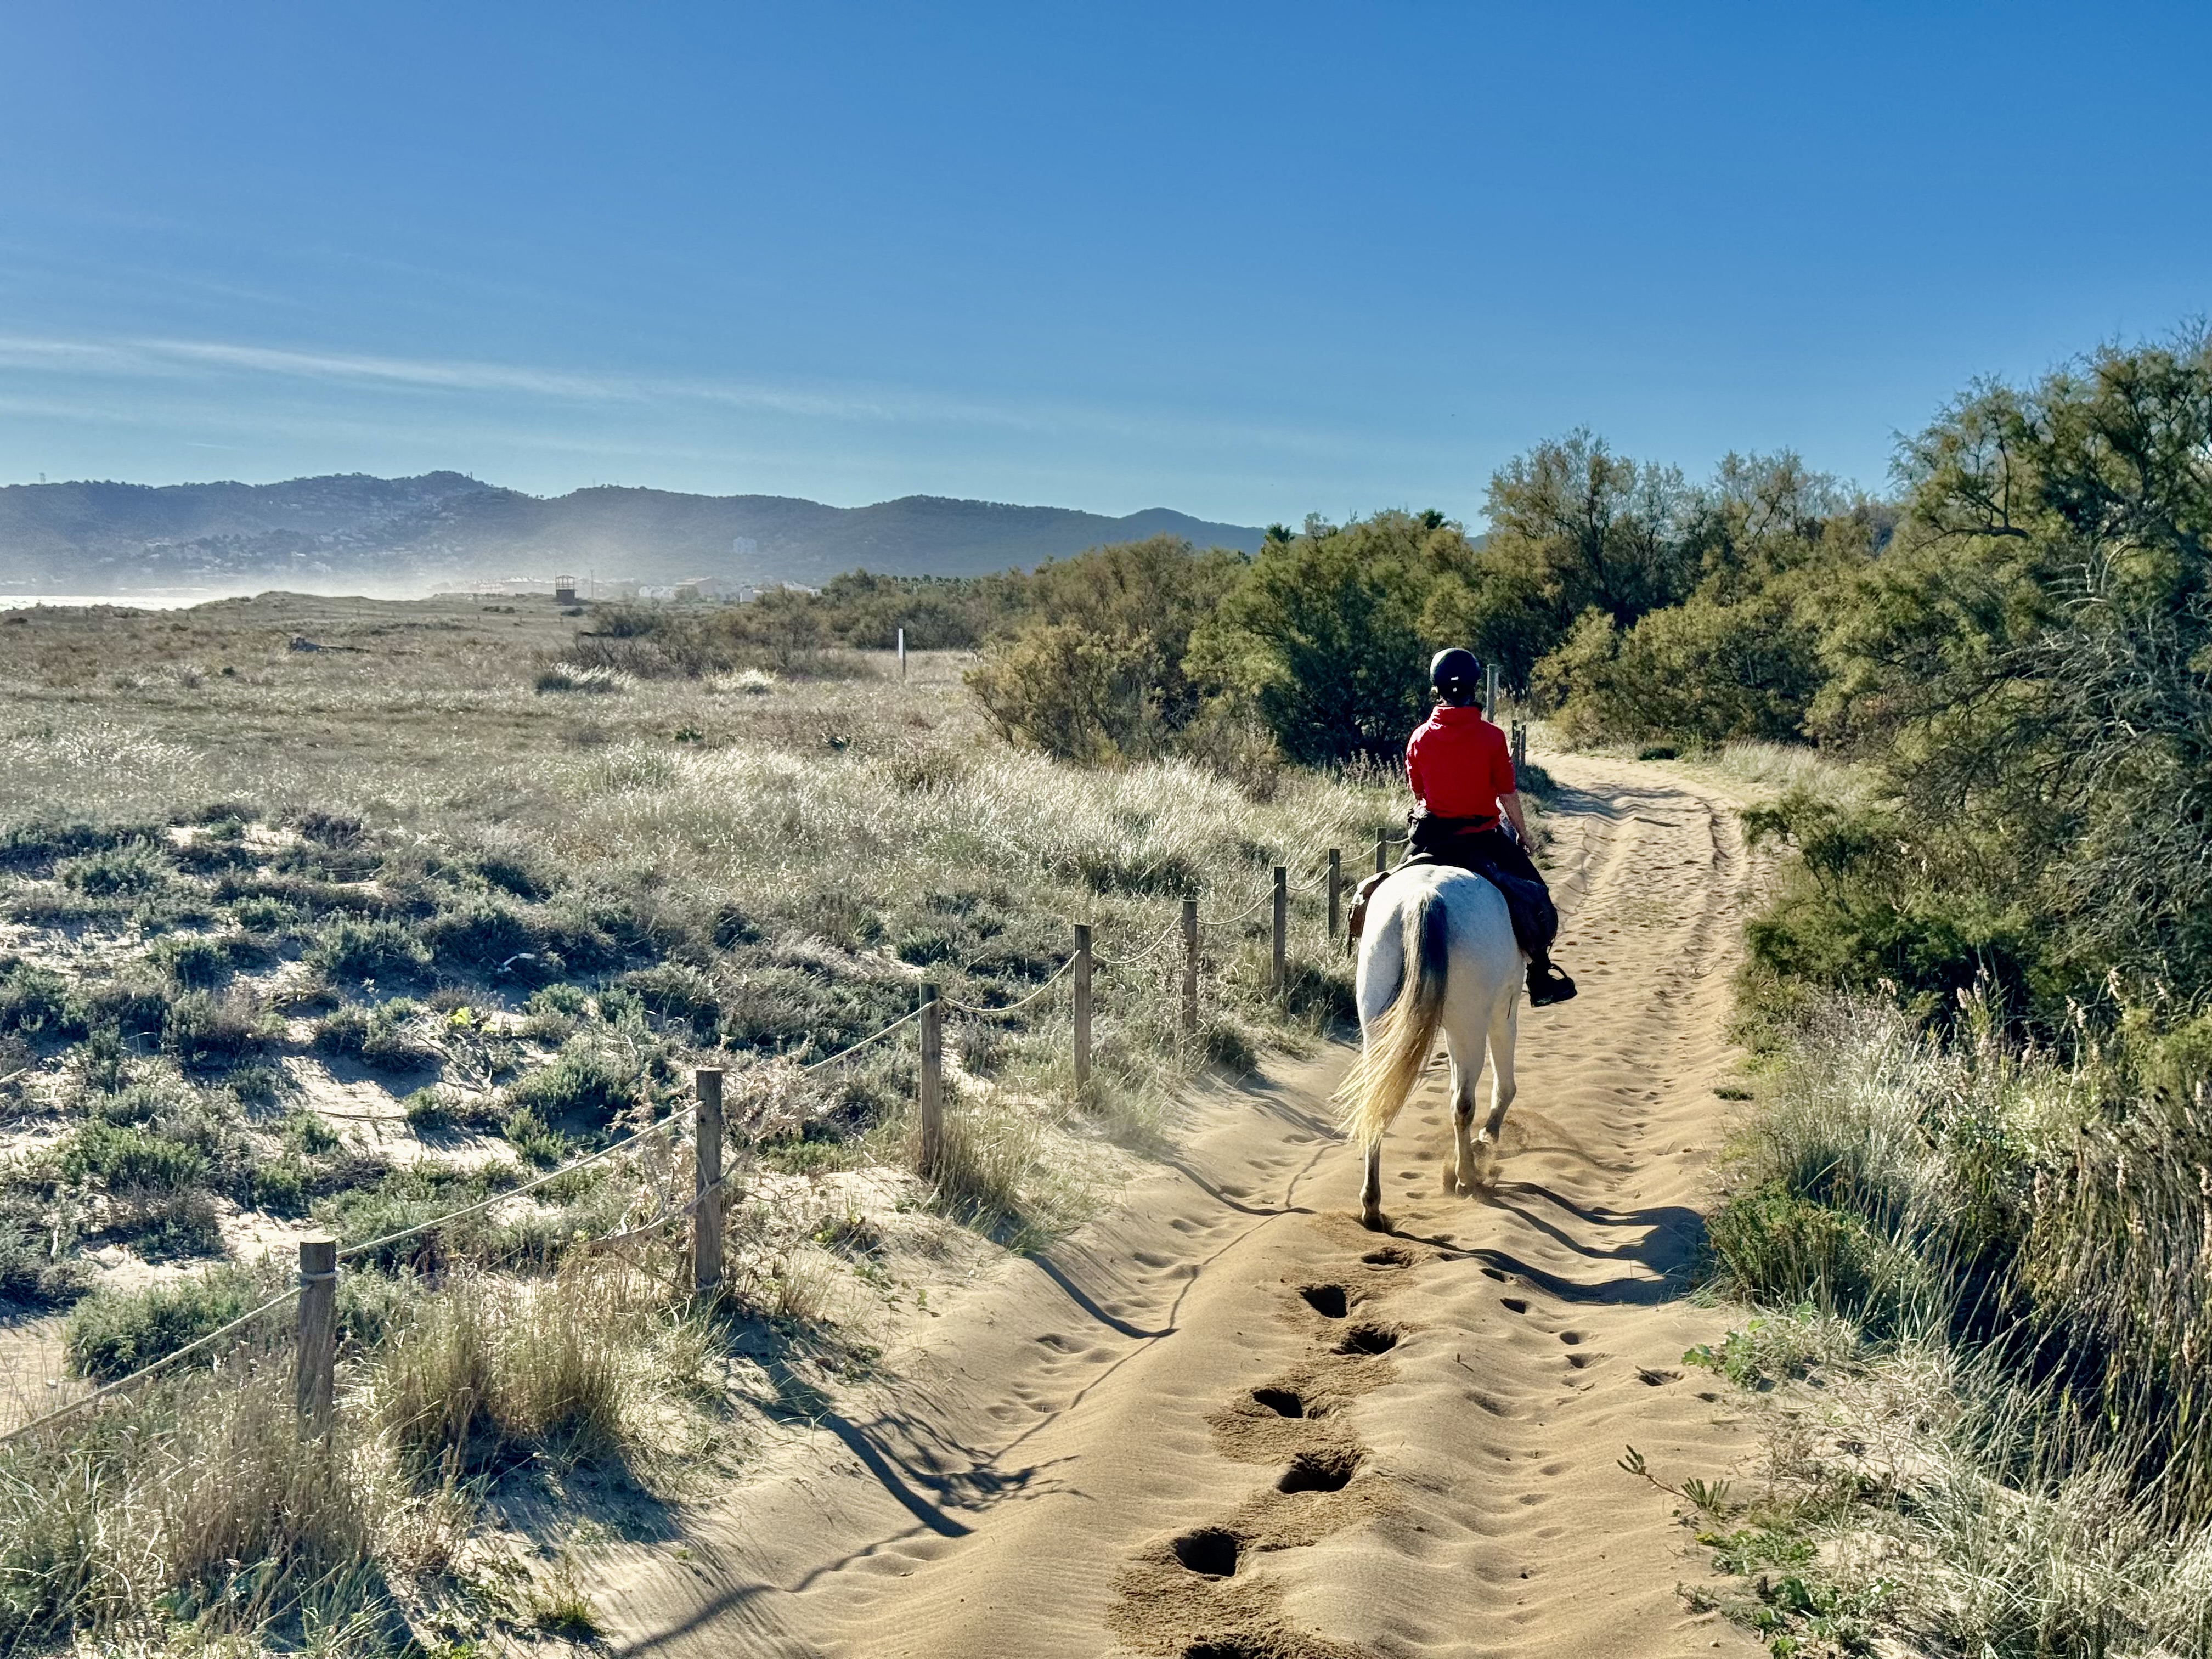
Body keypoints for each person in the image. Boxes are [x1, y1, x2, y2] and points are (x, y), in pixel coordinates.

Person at [1350, 647, 1577, 1007]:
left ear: (1435, 687)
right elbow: (1506, 792)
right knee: (1536, 898)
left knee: (1384, 889)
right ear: (1474, 686)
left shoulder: (1419, 737)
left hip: (1432, 839)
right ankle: (1540, 975)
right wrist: (1523, 833)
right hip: (1482, 839)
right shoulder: (1491, 737)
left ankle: (1375, 972)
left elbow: (1420, 793)